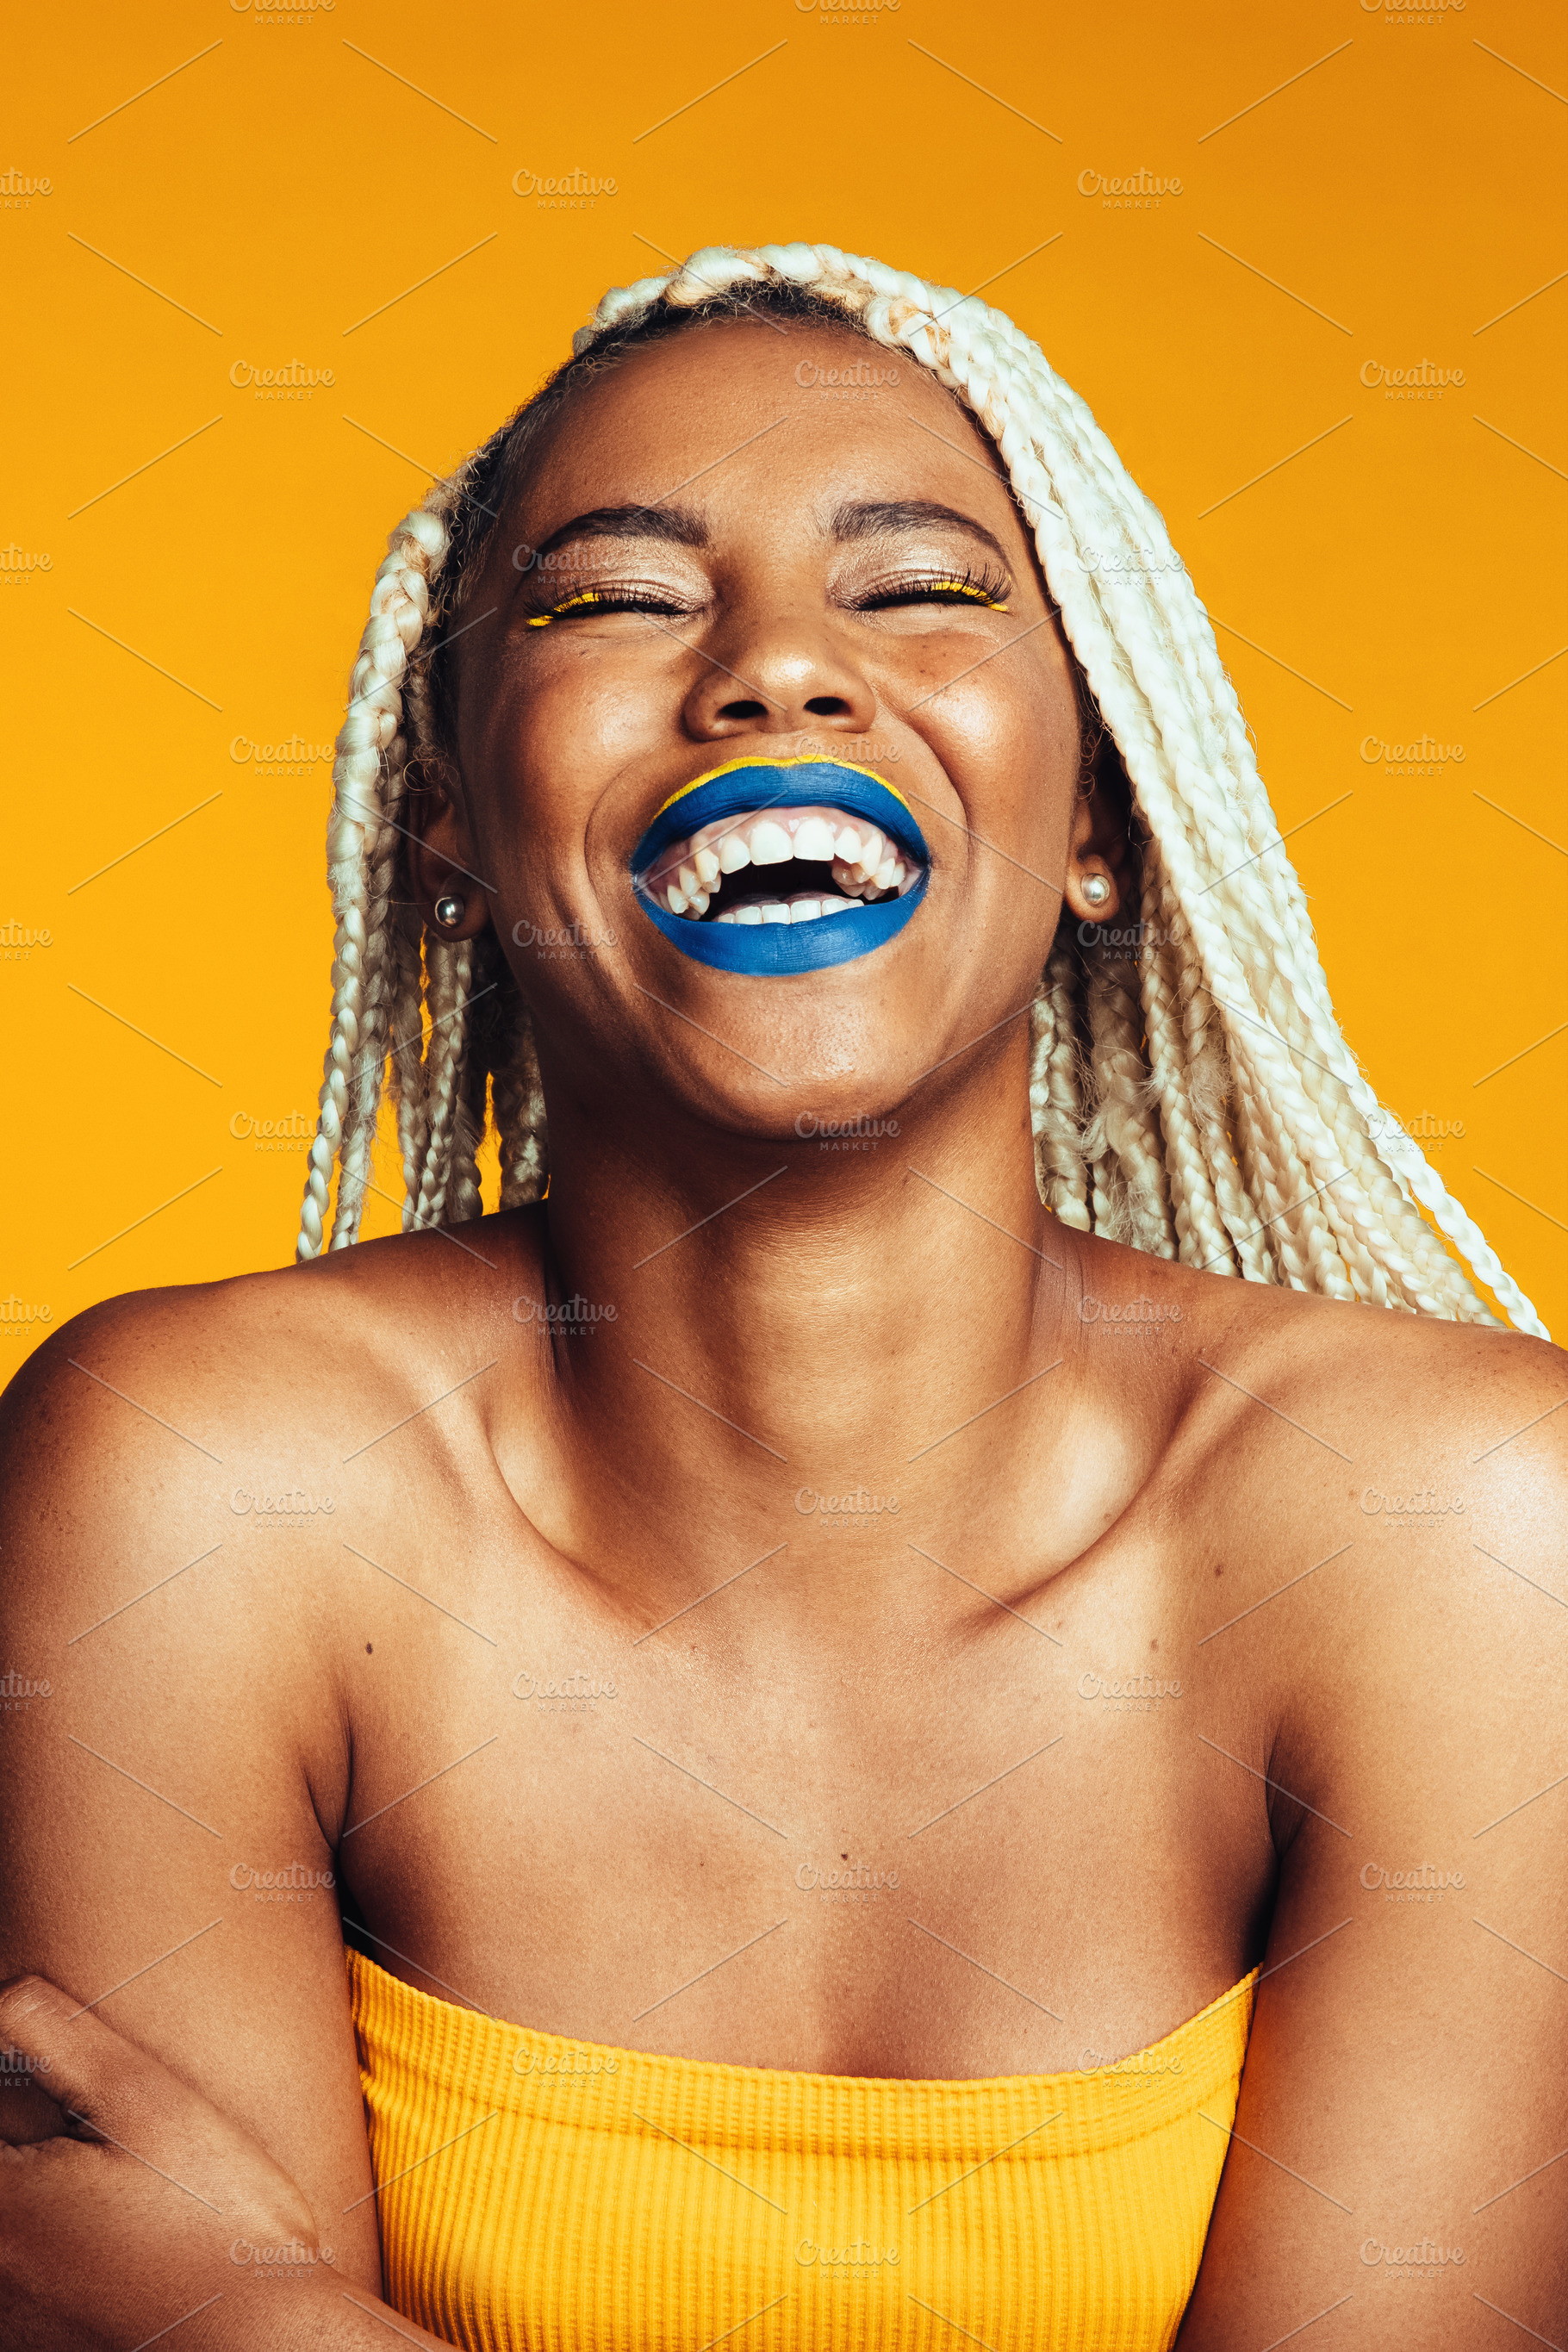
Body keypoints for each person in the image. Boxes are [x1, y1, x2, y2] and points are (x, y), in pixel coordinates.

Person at [1, 242, 1562, 2351]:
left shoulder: (1471, 1541)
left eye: (914, 590)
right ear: (446, 821)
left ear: (1097, 807)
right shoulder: (197, 1491)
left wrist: (248, 2327)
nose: (775, 674)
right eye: (616, 601)